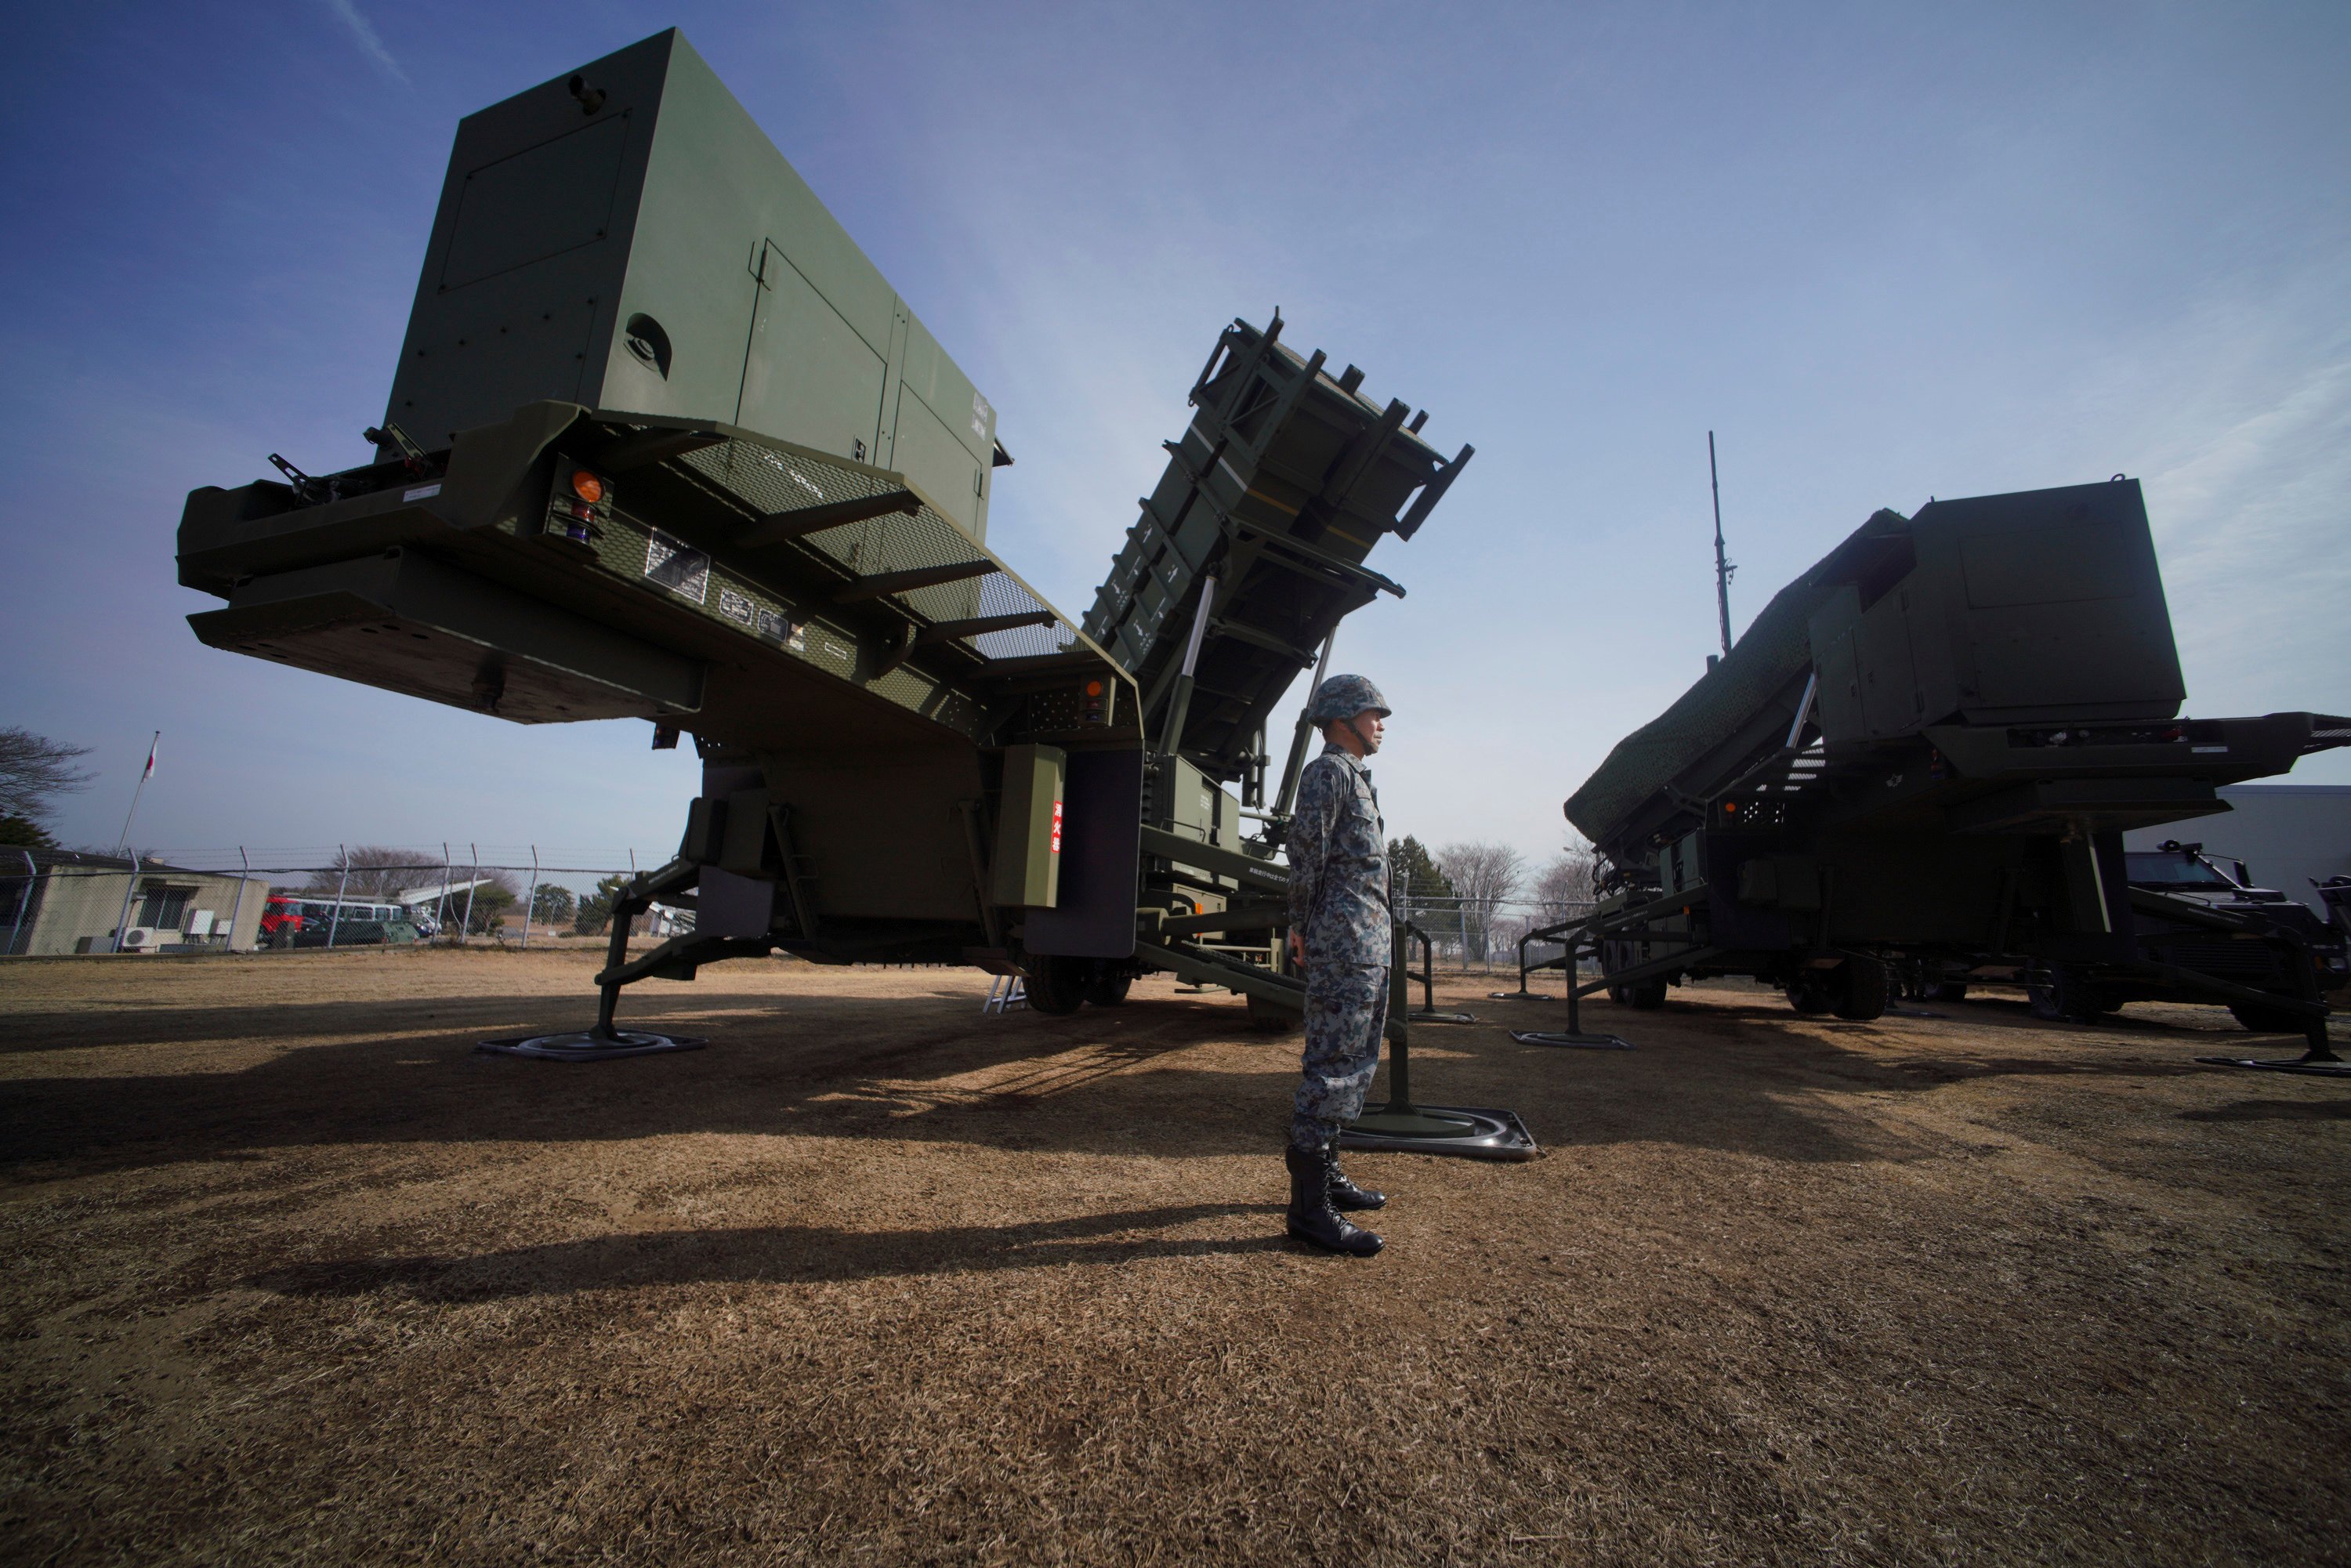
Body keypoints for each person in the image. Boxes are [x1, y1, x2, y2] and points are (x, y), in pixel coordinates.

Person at [1281, 674, 1396, 1256]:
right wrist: (1299, 924)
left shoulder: (1355, 779)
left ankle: (1326, 1177)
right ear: (1341, 719)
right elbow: (1307, 855)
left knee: (1353, 1064)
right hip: (1343, 945)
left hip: (1366, 947)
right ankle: (1308, 1212)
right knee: (1330, 1069)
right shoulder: (1328, 773)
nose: (1382, 722)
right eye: (1372, 712)